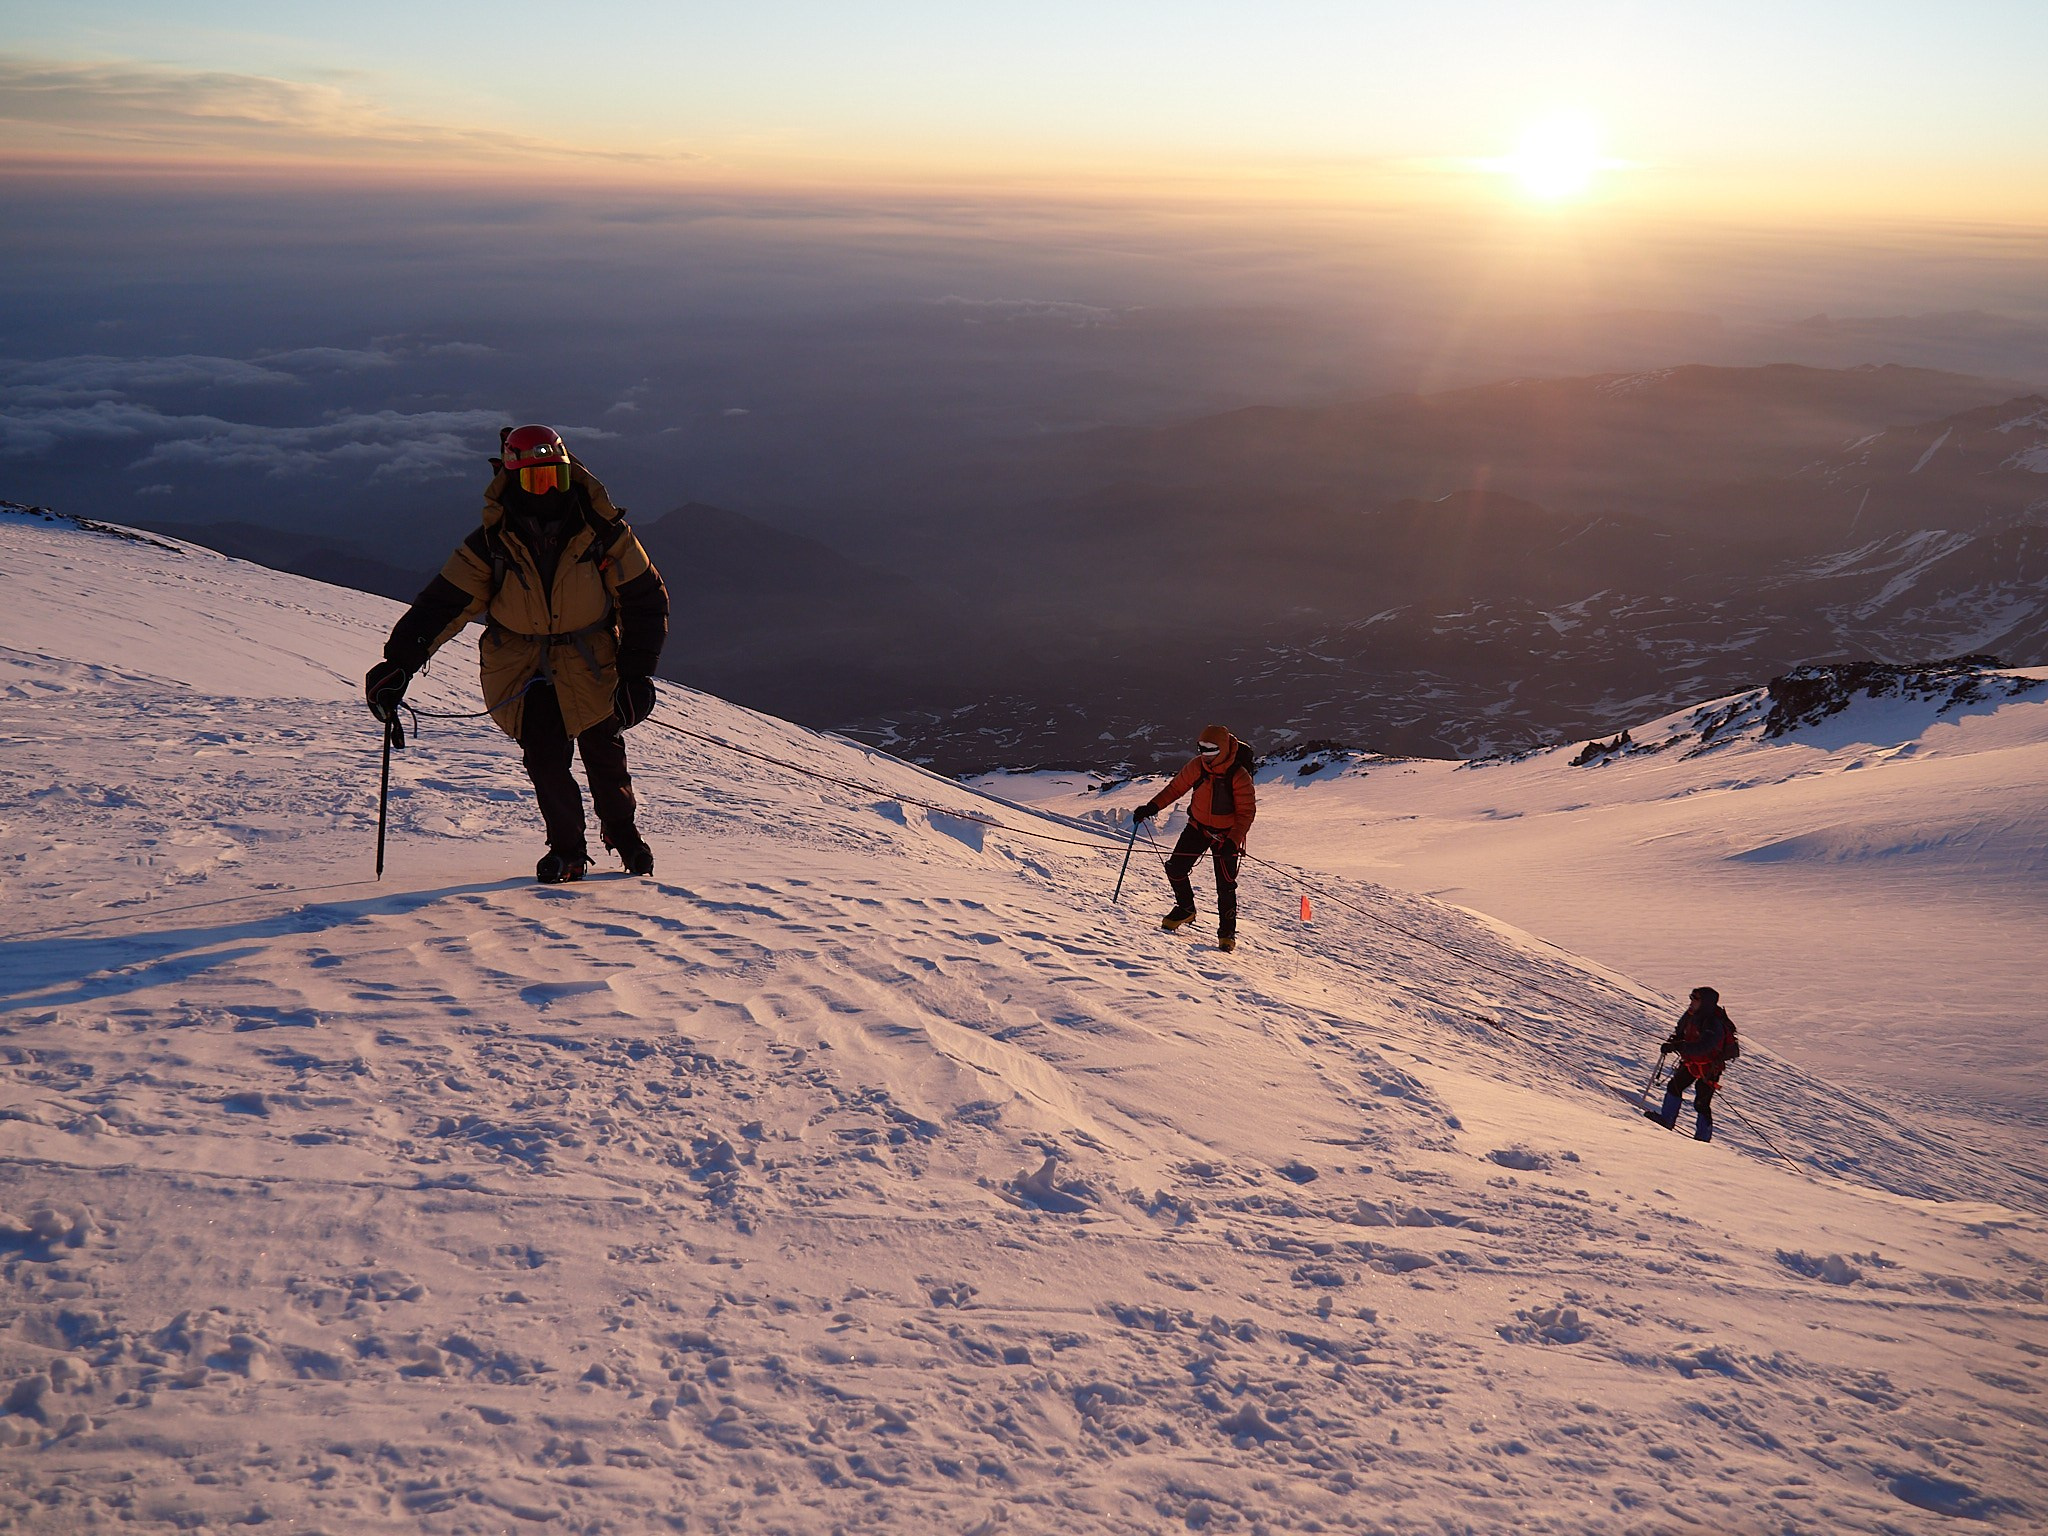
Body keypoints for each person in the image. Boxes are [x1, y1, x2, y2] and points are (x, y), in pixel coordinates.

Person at [364, 425, 670, 884]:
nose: (546, 492)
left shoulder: (603, 535)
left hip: (591, 662)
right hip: (525, 669)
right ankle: (568, 851)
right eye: (534, 481)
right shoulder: (491, 545)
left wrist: (636, 674)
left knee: (602, 749)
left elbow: (645, 599)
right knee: (545, 758)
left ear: (570, 475)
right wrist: (399, 662)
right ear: (512, 480)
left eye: (555, 479)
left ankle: (623, 834)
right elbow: (444, 604)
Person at [1132, 725, 1256, 952]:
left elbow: (1246, 813)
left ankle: (1227, 932)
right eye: (1201, 748)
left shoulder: (1239, 775)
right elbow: (1175, 788)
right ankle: (1186, 908)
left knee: (1225, 886)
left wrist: (1232, 842)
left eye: (1210, 749)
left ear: (1224, 748)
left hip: (1225, 836)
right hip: (1197, 827)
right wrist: (1151, 807)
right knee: (1175, 868)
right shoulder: (1197, 766)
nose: (1204, 754)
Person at [1647, 986, 1738, 1142]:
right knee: (1674, 1086)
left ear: (1705, 1002)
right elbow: (1680, 1032)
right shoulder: (1691, 1015)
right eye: (1691, 997)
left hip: (1709, 1068)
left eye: (1695, 999)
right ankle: (1666, 1121)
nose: (1691, 1001)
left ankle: (1703, 1138)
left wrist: (1679, 1046)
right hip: (1692, 1062)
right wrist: (1674, 1042)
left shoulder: (1713, 1023)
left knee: (1701, 1103)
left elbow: (1705, 1046)